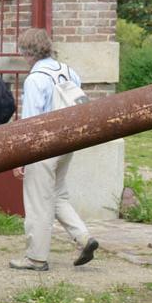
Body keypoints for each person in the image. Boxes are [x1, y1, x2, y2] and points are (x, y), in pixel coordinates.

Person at [12, 28, 102, 271]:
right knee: (58, 195)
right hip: (68, 141)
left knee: (38, 202)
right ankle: (83, 237)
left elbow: (30, 121)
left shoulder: (35, 79)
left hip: (43, 145)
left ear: (27, 52)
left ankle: (36, 257)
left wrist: (22, 156)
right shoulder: (69, 72)